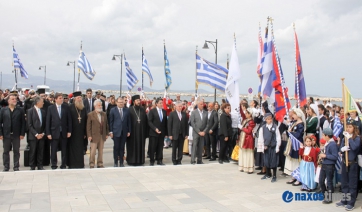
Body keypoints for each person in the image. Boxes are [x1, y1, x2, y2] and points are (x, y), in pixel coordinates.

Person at [335, 120, 361, 210]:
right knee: (344, 182)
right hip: (345, 162)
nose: (348, 129)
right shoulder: (344, 138)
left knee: (352, 184)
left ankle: (351, 203)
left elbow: (354, 147)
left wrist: (349, 138)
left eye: (350, 127)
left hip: (353, 163)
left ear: (354, 128)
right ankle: (345, 200)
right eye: (347, 127)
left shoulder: (357, 138)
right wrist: (342, 149)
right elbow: (340, 150)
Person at [46, 92, 72, 170]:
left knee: (64, 150)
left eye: (62, 98)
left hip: (63, 132)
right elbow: (48, 121)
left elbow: (69, 120)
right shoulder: (51, 108)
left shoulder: (66, 107)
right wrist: (48, 133)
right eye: (60, 98)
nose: (62, 100)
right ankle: (54, 164)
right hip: (54, 132)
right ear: (55, 99)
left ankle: (63, 164)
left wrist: (69, 131)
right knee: (53, 150)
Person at [0, 94, 25, 171]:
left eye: (15, 99)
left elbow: (23, 123)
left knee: (16, 151)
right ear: (8, 101)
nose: (15, 100)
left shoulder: (20, 110)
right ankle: (6, 166)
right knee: (6, 151)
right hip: (6, 134)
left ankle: (16, 166)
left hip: (16, 134)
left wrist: (22, 133)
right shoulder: (3, 110)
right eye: (13, 99)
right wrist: (0, 134)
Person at [259, 113, 281, 183]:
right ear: (265, 120)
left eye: (270, 119)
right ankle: (268, 173)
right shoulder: (263, 128)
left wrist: (278, 146)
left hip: (273, 146)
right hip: (266, 147)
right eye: (268, 119)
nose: (269, 120)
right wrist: (262, 147)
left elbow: (278, 137)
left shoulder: (275, 127)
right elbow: (261, 138)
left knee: (273, 161)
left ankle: (274, 175)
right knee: (266, 161)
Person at [318, 128, 338, 204]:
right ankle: (324, 194)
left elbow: (335, 156)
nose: (322, 136)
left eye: (323, 135)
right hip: (324, 164)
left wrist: (325, 156)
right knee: (321, 180)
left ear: (327, 136)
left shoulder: (332, 144)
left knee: (329, 182)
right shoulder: (327, 143)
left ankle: (329, 197)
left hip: (329, 165)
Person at [68, 91, 88, 169]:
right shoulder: (70, 107)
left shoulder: (83, 108)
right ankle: (72, 164)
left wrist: (85, 133)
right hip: (73, 132)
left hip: (81, 132)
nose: (79, 99)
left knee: (80, 149)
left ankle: (80, 164)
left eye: (80, 98)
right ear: (75, 99)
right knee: (72, 149)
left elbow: (86, 120)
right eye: (78, 98)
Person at [87, 99, 109, 168]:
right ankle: (92, 163)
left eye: (101, 105)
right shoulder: (90, 115)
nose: (100, 106)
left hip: (102, 135)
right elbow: (88, 126)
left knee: (100, 151)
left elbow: (106, 125)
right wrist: (89, 135)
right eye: (99, 105)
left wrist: (106, 134)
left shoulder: (104, 114)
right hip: (94, 136)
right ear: (95, 106)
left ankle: (100, 163)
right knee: (93, 151)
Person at [127, 95, 148, 166]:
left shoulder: (142, 109)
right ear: (134, 102)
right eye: (137, 100)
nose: (139, 102)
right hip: (133, 132)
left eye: (139, 100)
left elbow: (145, 121)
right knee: (132, 146)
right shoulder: (130, 110)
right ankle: (131, 160)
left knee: (141, 146)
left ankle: (140, 160)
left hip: (141, 132)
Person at [109, 97, 131, 167]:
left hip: (124, 132)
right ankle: (115, 162)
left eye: (122, 102)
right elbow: (111, 122)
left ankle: (121, 162)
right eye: (120, 102)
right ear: (117, 103)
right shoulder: (113, 110)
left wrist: (129, 131)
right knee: (116, 147)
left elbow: (129, 121)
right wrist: (111, 131)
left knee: (122, 147)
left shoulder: (126, 110)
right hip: (116, 132)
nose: (121, 103)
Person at [286, 108, 305, 185]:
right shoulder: (295, 122)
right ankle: (293, 176)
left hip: (297, 144)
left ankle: (298, 178)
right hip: (292, 143)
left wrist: (291, 133)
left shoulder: (301, 124)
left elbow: (298, 135)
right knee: (293, 160)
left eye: (294, 114)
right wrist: (289, 132)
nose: (292, 115)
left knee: (297, 161)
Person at [27, 96, 46, 170]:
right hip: (33, 135)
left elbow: (45, 124)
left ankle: (40, 165)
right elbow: (29, 124)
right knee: (33, 151)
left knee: (40, 151)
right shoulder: (30, 111)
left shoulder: (43, 111)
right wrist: (36, 134)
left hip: (41, 135)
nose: (43, 103)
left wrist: (43, 133)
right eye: (42, 102)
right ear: (37, 102)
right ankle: (32, 165)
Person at [148, 98, 168, 166]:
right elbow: (149, 121)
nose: (161, 104)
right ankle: (152, 161)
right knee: (153, 147)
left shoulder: (164, 111)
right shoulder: (152, 111)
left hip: (161, 133)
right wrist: (155, 128)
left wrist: (166, 133)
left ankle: (159, 160)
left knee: (160, 147)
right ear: (156, 104)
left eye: (162, 103)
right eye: (160, 103)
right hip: (154, 132)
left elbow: (165, 123)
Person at [168, 101, 189, 165]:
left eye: (181, 106)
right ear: (176, 107)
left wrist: (186, 134)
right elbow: (169, 125)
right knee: (174, 148)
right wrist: (170, 134)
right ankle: (174, 160)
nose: (180, 107)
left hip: (182, 134)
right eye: (179, 106)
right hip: (174, 134)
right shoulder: (172, 114)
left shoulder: (184, 114)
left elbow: (186, 125)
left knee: (180, 148)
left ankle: (179, 160)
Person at [190, 100, 209, 165]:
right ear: (198, 105)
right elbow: (192, 123)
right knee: (195, 146)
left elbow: (207, 124)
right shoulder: (194, 112)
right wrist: (198, 131)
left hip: (203, 132)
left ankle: (199, 160)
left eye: (202, 104)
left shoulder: (206, 113)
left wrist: (204, 131)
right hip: (196, 132)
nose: (202, 105)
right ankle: (193, 160)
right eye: (200, 104)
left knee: (201, 146)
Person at [238, 108, 256, 173]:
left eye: (246, 113)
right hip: (243, 138)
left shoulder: (251, 122)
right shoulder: (245, 120)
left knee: (248, 154)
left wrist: (242, 128)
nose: (245, 114)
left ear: (250, 114)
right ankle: (243, 166)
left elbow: (249, 131)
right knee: (243, 153)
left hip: (248, 139)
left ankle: (249, 168)